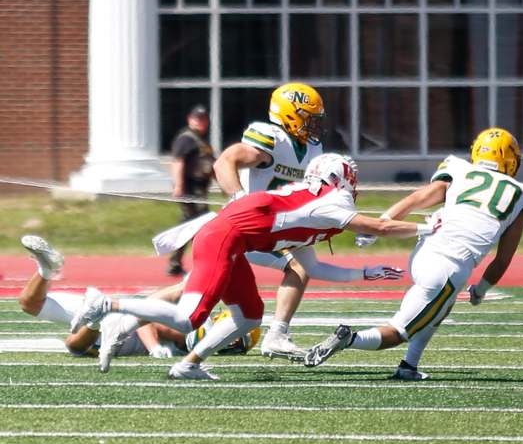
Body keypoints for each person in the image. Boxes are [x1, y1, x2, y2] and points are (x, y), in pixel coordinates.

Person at [71, 153, 437, 380]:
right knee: (188, 318)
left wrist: (365, 273)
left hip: (232, 239)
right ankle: (108, 304)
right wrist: (428, 226)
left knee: (248, 316)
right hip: (224, 238)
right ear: (341, 179)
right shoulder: (327, 201)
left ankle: (190, 364)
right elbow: (378, 226)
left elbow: (313, 268)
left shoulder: (310, 206)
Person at [303, 128, 523, 380]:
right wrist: (480, 290)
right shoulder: (522, 195)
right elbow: (503, 259)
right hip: (449, 267)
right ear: (511, 159)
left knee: (443, 306)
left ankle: (409, 365)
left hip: (425, 250)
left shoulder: (460, 170)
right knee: (397, 332)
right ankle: (348, 339)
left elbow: (417, 198)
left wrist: (383, 221)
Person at [212, 82, 331, 361]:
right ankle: (122, 312)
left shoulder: (313, 149)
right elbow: (224, 163)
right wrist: (239, 198)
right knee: (204, 287)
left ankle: (278, 335)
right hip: (252, 225)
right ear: (290, 113)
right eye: (308, 117)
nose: (313, 125)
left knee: (302, 265)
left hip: (278, 225)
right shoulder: (271, 139)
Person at [18, 235, 186, 359]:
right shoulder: (179, 325)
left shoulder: (180, 347)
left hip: (102, 327)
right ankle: (96, 315)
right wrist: (154, 347)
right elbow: (146, 318)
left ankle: (47, 270)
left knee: (30, 304)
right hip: (115, 317)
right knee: (76, 345)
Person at [168, 104, 215, 276]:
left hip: (200, 188)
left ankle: (178, 262)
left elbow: (211, 164)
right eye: (197, 118)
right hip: (190, 188)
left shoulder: (201, 141)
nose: (200, 122)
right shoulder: (186, 139)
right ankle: (201, 262)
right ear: (190, 119)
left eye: (203, 119)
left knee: (192, 225)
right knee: (196, 225)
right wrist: (179, 186)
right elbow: (178, 162)